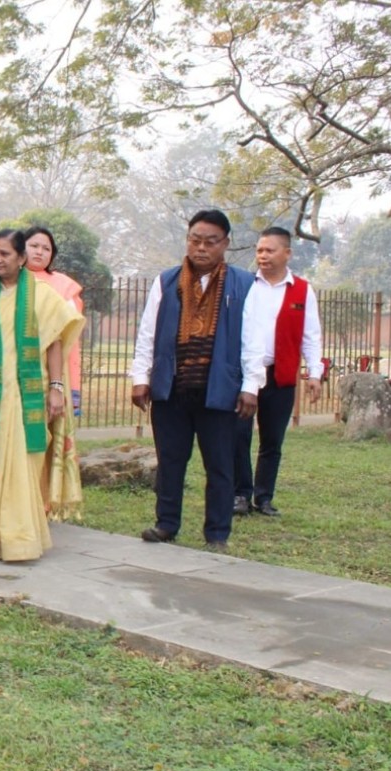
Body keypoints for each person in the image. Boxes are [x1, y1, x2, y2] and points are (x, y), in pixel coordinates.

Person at [130, 209, 263, 552]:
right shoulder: (167, 281)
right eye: (195, 240)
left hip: (219, 389)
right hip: (172, 386)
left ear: (226, 245)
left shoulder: (245, 284)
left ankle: (217, 533)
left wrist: (250, 387)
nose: (201, 248)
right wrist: (140, 378)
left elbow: (254, 341)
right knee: (171, 459)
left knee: (219, 464)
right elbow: (148, 333)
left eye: (210, 242)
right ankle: (166, 523)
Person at [0, 229, 83, 562]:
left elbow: (55, 343)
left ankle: (20, 539)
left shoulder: (42, 294)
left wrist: (56, 388)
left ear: (22, 258)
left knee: (23, 464)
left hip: (28, 395)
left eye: (4, 254)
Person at [234, 226, 324, 517]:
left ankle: (264, 497)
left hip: (281, 375)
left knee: (272, 440)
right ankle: (240, 495)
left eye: (270, 250)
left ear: (287, 253)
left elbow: (311, 335)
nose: (263, 256)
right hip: (247, 373)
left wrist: (314, 373)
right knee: (239, 435)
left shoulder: (301, 290)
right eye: (259, 250)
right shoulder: (247, 286)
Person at [23, 225, 86, 521]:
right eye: (33, 245)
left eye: (46, 248)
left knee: (46, 439)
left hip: (52, 374)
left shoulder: (64, 287)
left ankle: (45, 503)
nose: (39, 252)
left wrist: (61, 386)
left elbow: (68, 337)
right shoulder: (9, 281)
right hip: (17, 373)